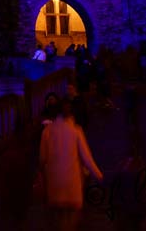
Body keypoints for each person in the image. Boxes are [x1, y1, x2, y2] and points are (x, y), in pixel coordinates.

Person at [39, 97, 103, 231]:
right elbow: (87, 158)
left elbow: (42, 160)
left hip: (54, 185)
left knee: (57, 221)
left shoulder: (47, 132)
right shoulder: (76, 131)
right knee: (71, 222)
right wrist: (99, 175)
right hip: (72, 186)